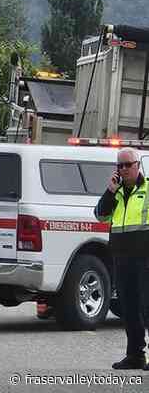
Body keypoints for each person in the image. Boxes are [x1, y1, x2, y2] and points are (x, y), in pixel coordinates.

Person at [94, 147, 149, 370]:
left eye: (128, 165)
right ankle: (135, 354)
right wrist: (109, 191)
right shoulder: (114, 193)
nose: (124, 169)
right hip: (122, 259)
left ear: (138, 165)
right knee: (129, 307)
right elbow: (100, 215)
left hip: (145, 258)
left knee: (147, 307)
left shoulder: (147, 189)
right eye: (120, 165)